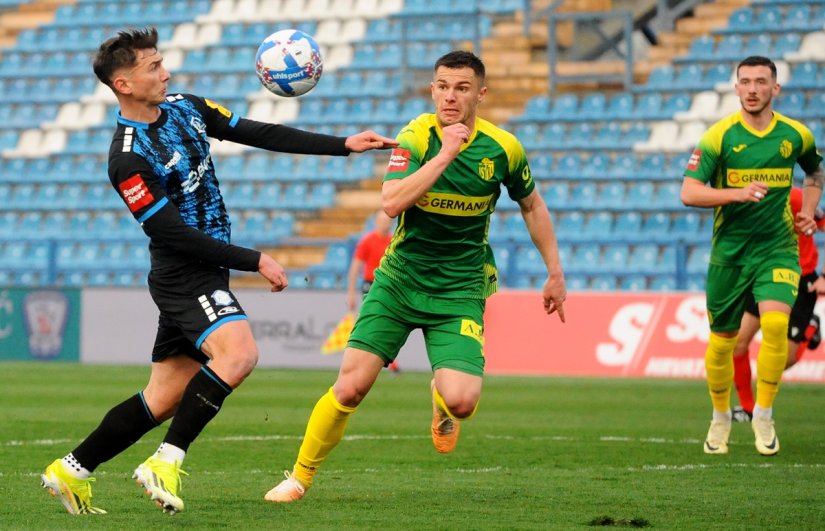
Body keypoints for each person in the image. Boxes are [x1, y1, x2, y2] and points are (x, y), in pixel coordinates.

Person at [39, 26, 397, 515]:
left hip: (206, 270)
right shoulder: (127, 157)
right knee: (240, 353)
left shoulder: (186, 106)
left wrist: (343, 144)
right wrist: (256, 259)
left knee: (163, 397)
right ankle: (166, 459)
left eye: (162, 61)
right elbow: (171, 234)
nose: (165, 72)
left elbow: (255, 131)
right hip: (184, 274)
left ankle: (71, 469)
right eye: (153, 67)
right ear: (123, 83)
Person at [264, 50, 567, 503]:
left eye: (462, 88)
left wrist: (555, 272)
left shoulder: (504, 148)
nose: (450, 96)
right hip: (400, 281)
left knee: (462, 401)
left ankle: (442, 402)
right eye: (442, 86)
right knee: (350, 386)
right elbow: (390, 202)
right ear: (432, 89)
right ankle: (300, 477)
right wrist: (445, 153)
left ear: (480, 94)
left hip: (460, 287)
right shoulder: (416, 136)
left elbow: (532, 205)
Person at [681, 55, 824, 457]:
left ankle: (763, 412)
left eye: (761, 82)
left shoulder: (796, 135)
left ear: (775, 88)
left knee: (775, 327)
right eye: (745, 82)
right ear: (737, 87)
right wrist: (735, 193)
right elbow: (689, 192)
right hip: (729, 255)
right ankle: (720, 416)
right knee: (723, 343)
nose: (752, 89)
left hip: (777, 248)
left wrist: (808, 211)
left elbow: (814, 173)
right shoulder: (719, 137)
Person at [732, 187, 824, 422]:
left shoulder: (795, 197)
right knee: (738, 342)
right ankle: (749, 409)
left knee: (783, 360)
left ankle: (808, 331)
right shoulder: (745, 195)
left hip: (800, 280)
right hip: (764, 277)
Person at [345, 209, 398, 371]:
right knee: (369, 320)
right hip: (371, 284)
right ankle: (360, 358)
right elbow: (355, 267)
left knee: (390, 322)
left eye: (388, 221)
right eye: (382, 221)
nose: (385, 224)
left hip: (389, 285)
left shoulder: (394, 241)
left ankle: (384, 360)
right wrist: (351, 293)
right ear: (376, 222)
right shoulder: (367, 241)